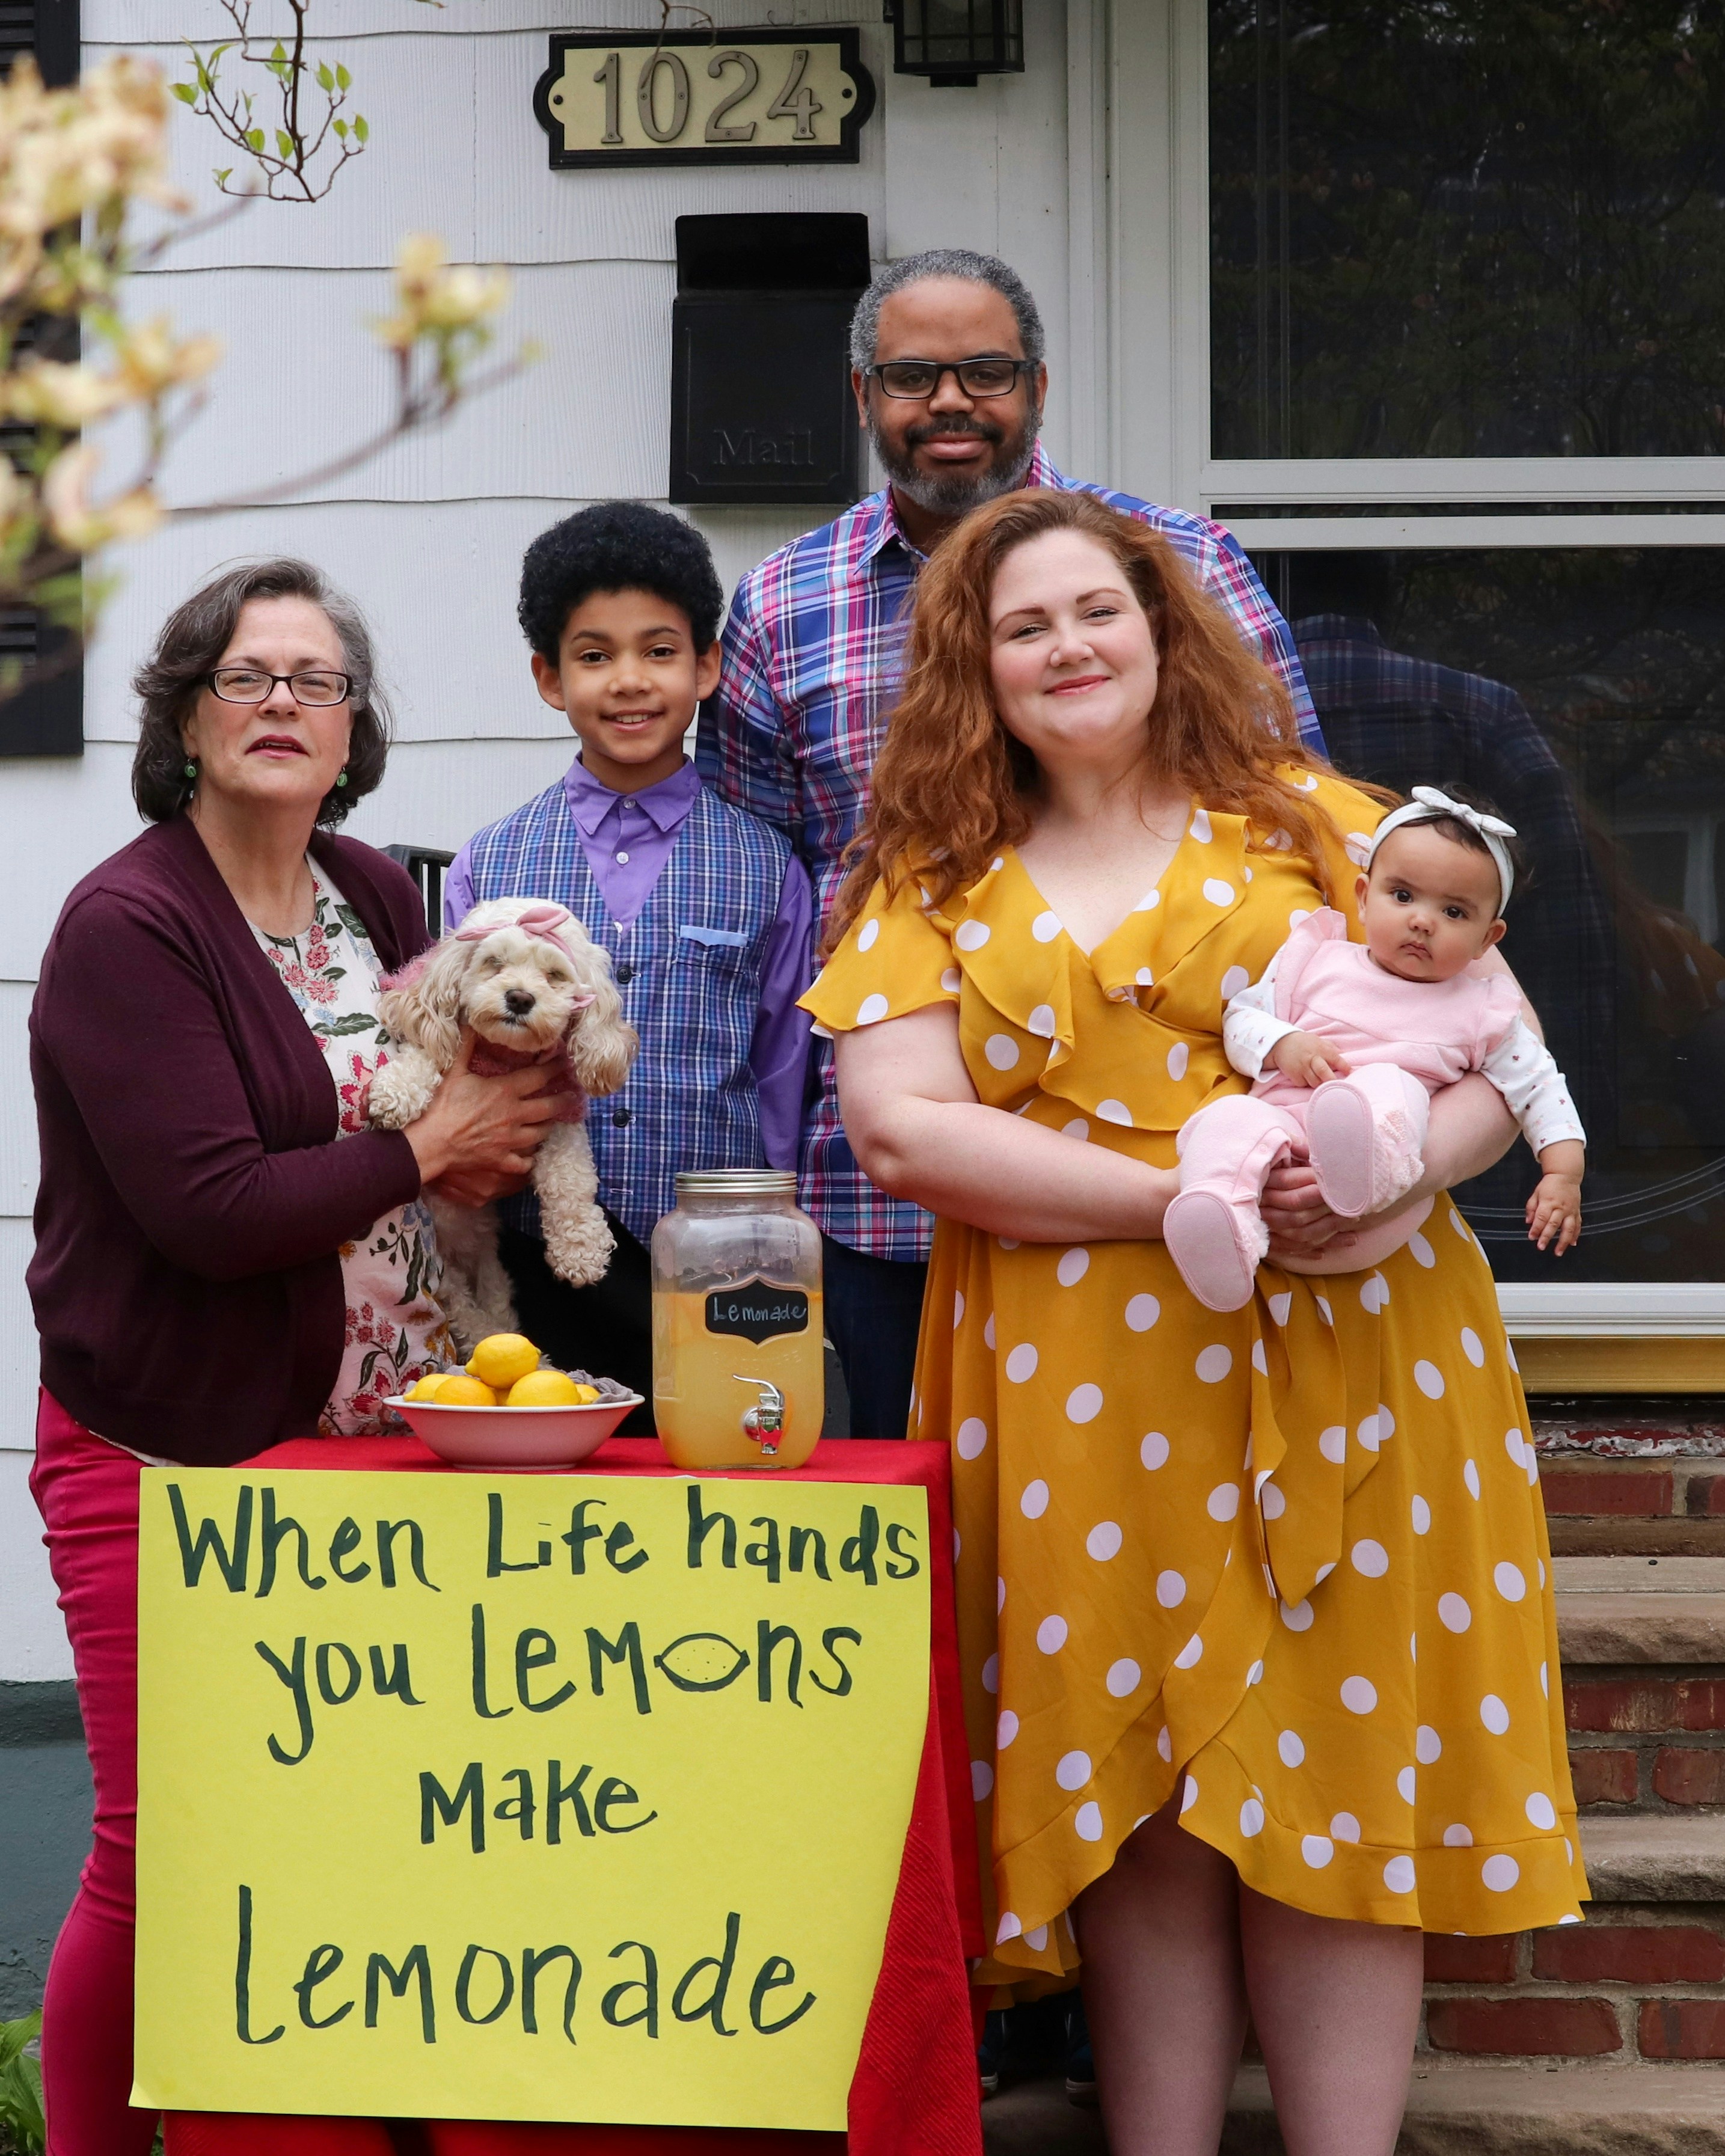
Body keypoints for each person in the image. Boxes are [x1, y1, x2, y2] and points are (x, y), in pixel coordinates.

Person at [803, 488, 1582, 2156]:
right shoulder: (927, 878)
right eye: (1022, 626)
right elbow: (900, 1130)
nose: (1066, 646)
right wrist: (1177, 1195)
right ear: (971, 669)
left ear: (1161, 630)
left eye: (1097, 610)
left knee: (1336, 1782)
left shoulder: (1317, 823)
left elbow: (1491, 1055)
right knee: (1138, 1798)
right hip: (1081, 1382)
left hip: (1352, 1355)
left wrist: (1385, 1185)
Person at [28, 559, 561, 2156]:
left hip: (380, 1444)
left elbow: (461, 1085)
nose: (281, 703)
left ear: (351, 729)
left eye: (316, 681)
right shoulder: (129, 925)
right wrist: (430, 1148)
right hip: (171, 1449)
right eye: (244, 676)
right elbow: (210, 1211)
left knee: (340, 1825)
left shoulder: (370, 893)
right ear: (185, 718)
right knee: (161, 1845)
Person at [699, 247, 1326, 1440]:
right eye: (913, 376)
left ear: (1037, 386)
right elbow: (765, 903)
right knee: (922, 1530)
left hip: (1189, 1167)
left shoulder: (1180, 567)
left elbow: (1290, 833)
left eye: (984, 372)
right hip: (888, 1191)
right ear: (862, 396)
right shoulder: (781, 605)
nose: (949, 402)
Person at [443, 504, 813, 1428]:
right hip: (535, 1259)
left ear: (707, 667)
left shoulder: (768, 864)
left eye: (659, 650)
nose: (629, 680)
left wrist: (781, 1240)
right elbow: (455, 1056)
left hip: (717, 1268)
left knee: (713, 1472)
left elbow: (783, 1076)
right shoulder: (490, 863)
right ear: (549, 676)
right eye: (594, 654)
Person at [1165, 786, 1587, 1312]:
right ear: (1363, 897)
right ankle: (1218, 1227)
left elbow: (1540, 1088)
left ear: (1487, 939)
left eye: (1454, 912)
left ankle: (1355, 1160)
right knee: (1227, 1121)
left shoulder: (1482, 1011)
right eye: (1403, 896)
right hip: (1278, 1143)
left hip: (1369, 1214)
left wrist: (1562, 1173)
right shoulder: (1315, 960)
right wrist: (1282, 1043)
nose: (1422, 921)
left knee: (1388, 1086)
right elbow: (1242, 1020)